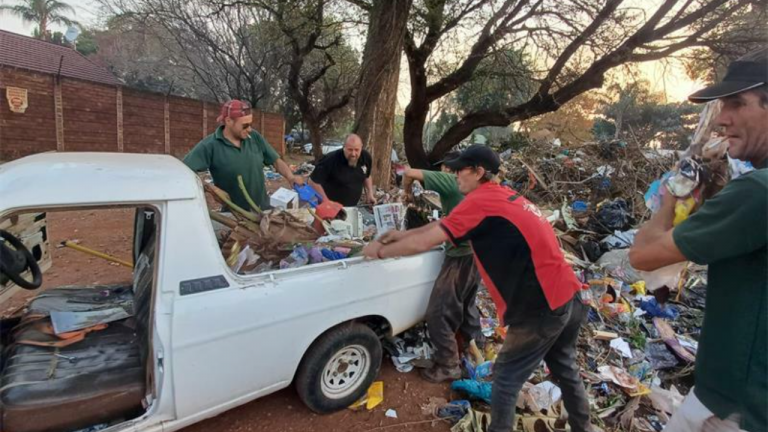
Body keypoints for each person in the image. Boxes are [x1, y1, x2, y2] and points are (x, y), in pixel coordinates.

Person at [363, 145, 593, 432]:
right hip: (570, 296)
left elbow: (428, 241)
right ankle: (584, 427)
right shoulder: (502, 195)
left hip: (541, 306)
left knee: (506, 380)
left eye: (461, 168)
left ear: (479, 172)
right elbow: (440, 227)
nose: (453, 173)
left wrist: (380, 252)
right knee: (565, 369)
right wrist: (400, 235)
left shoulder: (480, 201)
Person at [629, 48, 767, 432]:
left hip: (730, 408)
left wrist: (671, 194)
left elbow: (642, 255)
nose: (722, 119)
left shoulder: (758, 192)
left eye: (737, 104)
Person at [401, 152, 484, 382]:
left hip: (459, 256)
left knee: (438, 312)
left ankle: (449, 365)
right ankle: (473, 348)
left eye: (447, 169)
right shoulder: (480, 187)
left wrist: (406, 192)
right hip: (477, 253)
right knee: (467, 305)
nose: (446, 172)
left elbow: (408, 173)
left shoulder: (450, 180)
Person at [183, 100, 302, 210]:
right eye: (245, 126)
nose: (249, 129)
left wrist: (291, 177)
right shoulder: (210, 145)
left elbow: (276, 160)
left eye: (250, 124)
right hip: (234, 214)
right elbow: (184, 171)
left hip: (263, 209)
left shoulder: (254, 137)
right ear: (229, 121)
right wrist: (212, 189)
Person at [309, 134, 375, 206]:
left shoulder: (365, 157)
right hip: (330, 207)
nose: (353, 154)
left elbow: (367, 175)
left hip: (353, 206)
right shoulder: (330, 159)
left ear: (361, 147)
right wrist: (326, 202)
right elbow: (313, 182)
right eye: (350, 149)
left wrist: (370, 194)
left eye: (356, 150)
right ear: (344, 147)